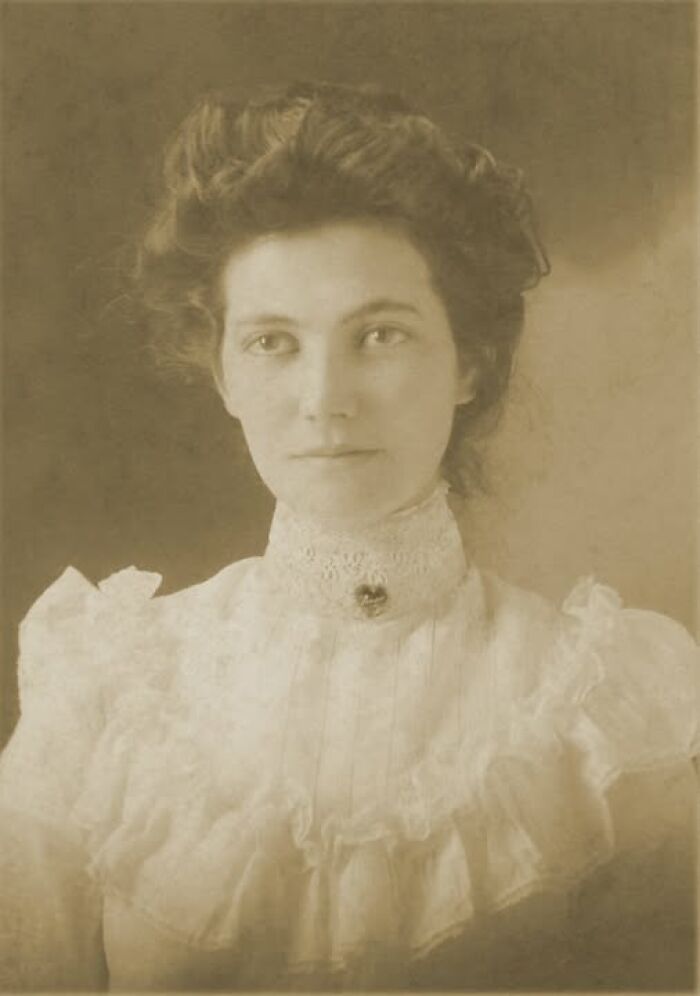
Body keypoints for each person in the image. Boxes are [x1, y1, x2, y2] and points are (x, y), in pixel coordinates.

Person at [0, 80, 698, 992]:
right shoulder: (111, 686)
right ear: (222, 375)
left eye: (379, 335)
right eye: (272, 343)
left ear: (470, 363)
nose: (324, 398)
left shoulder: (596, 710)